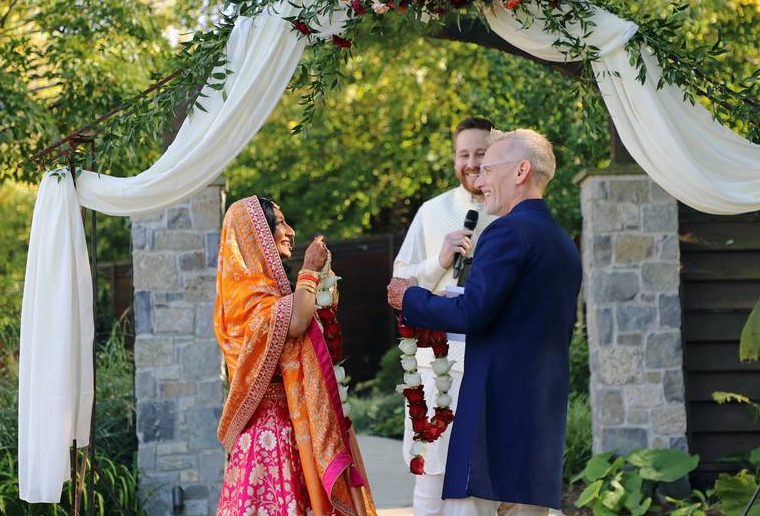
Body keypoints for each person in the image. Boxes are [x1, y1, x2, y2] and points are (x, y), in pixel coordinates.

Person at [387, 129, 581, 516]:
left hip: (493, 411)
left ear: (521, 170)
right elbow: (518, 312)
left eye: (489, 168)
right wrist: (454, 296)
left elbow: (473, 314)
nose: (479, 180)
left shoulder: (506, 232)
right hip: (538, 410)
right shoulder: (561, 241)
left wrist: (410, 298)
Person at [214, 195, 376, 516]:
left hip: (295, 430)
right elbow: (297, 320)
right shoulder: (244, 298)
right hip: (267, 439)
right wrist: (309, 270)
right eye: (280, 223)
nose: (290, 231)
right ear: (256, 235)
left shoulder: (271, 293)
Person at [392, 116, 497, 516]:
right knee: (431, 484)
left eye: (481, 153)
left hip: (491, 364)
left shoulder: (509, 213)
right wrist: (438, 262)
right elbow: (398, 284)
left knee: (479, 487)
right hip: (439, 368)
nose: (471, 163)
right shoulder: (432, 211)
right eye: (463, 154)